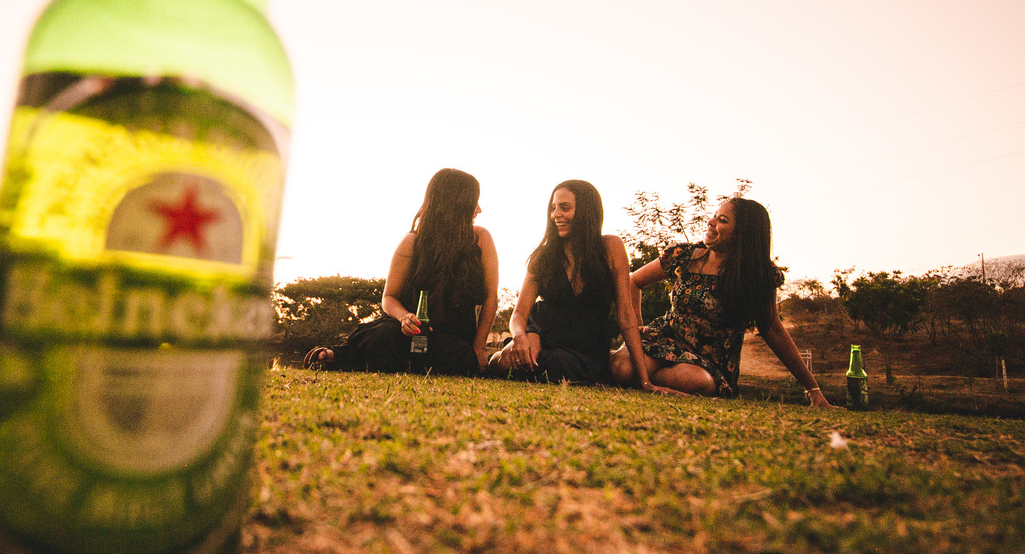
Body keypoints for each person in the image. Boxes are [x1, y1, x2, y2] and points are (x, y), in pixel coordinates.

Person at [610, 198, 837, 407]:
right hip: (664, 339)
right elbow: (633, 282)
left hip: (709, 361)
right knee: (621, 368)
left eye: (722, 220)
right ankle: (636, 375)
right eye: (714, 216)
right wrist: (637, 328)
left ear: (743, 234)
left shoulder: (758, 274)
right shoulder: (683, 255)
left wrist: (812, 388)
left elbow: (772, 329)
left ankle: (640, 378)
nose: (711, 222)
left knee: (695, 382)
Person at [303, 168, 498, 375]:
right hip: (406, 333)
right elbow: (389, 297)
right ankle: (337, 356)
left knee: (457, 356)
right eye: (473, 202)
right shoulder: (411, 242)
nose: (479, 209)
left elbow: (491, 298)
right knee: (384, 336)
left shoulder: (481, 239)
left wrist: (478, 348)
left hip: (452, 337)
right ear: (456, 205)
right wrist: (404, 317)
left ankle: (371, 361)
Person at [489, 180, 678, 391]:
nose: (555, 215)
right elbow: (519, 314)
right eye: (553, 208)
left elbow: (626, 316)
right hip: (543, 333)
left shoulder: (610, 247)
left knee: (560, 365)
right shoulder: (543, 256)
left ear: (586, 211)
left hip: (587, 346)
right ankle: (495, 358)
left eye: (565, 208)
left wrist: (644, 381)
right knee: (507, 360)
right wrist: (520, 337)